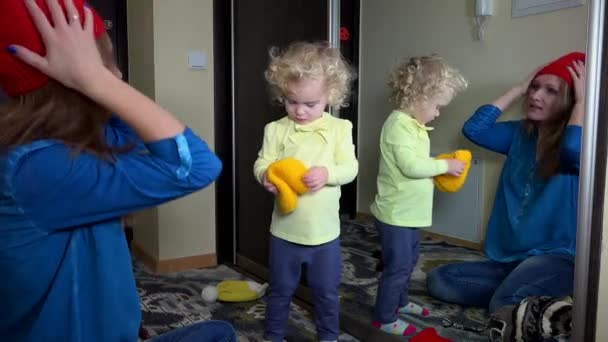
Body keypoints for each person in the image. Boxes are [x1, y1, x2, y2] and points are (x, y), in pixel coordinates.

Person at [0, 1, 235, 341]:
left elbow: (135, 136)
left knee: (217, 332)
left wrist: (98, 83)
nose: (119, 76)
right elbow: (195, 165)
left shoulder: (58, 142)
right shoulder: (35, 168)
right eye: (105, 61)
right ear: (69, 77)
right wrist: (96, 80)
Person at [426, 51, 586, 314]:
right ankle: (537, 295)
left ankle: (528, 294)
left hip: (557, 257)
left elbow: (571, 151)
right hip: (511, 258)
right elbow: (474, 130)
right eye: (534, 87)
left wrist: (581, 104)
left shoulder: (580, 145)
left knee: (504, 305)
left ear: (569, 100)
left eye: (551, 91)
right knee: (441, 280)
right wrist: (518, 88)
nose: (536, 96)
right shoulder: (518, 134)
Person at [253, 41, 358, 342]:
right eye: (291, 101)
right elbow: (263, 162)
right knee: (281, 289)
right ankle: (273, 335)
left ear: (330, 95)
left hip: (325, 235)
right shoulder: (275, 130)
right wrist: (265, 176)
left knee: (326, 292)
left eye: (310, 104)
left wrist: (327, 174)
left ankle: (329, 336)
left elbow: (350, 169)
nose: (299, 111)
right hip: (285, 232)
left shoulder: (340, 129)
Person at [369, 55, 468, 336]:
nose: (438, 113)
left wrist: (439, 167)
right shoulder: (398, 125)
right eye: (437, 107)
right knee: (397, 266)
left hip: (409, 214)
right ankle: (384, 316)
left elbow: (417, 163)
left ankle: (399, 302)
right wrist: (444, 165)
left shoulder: (415, 126)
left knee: (409, 261)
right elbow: (411, 167)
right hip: (394, 214)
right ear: (419, 97)